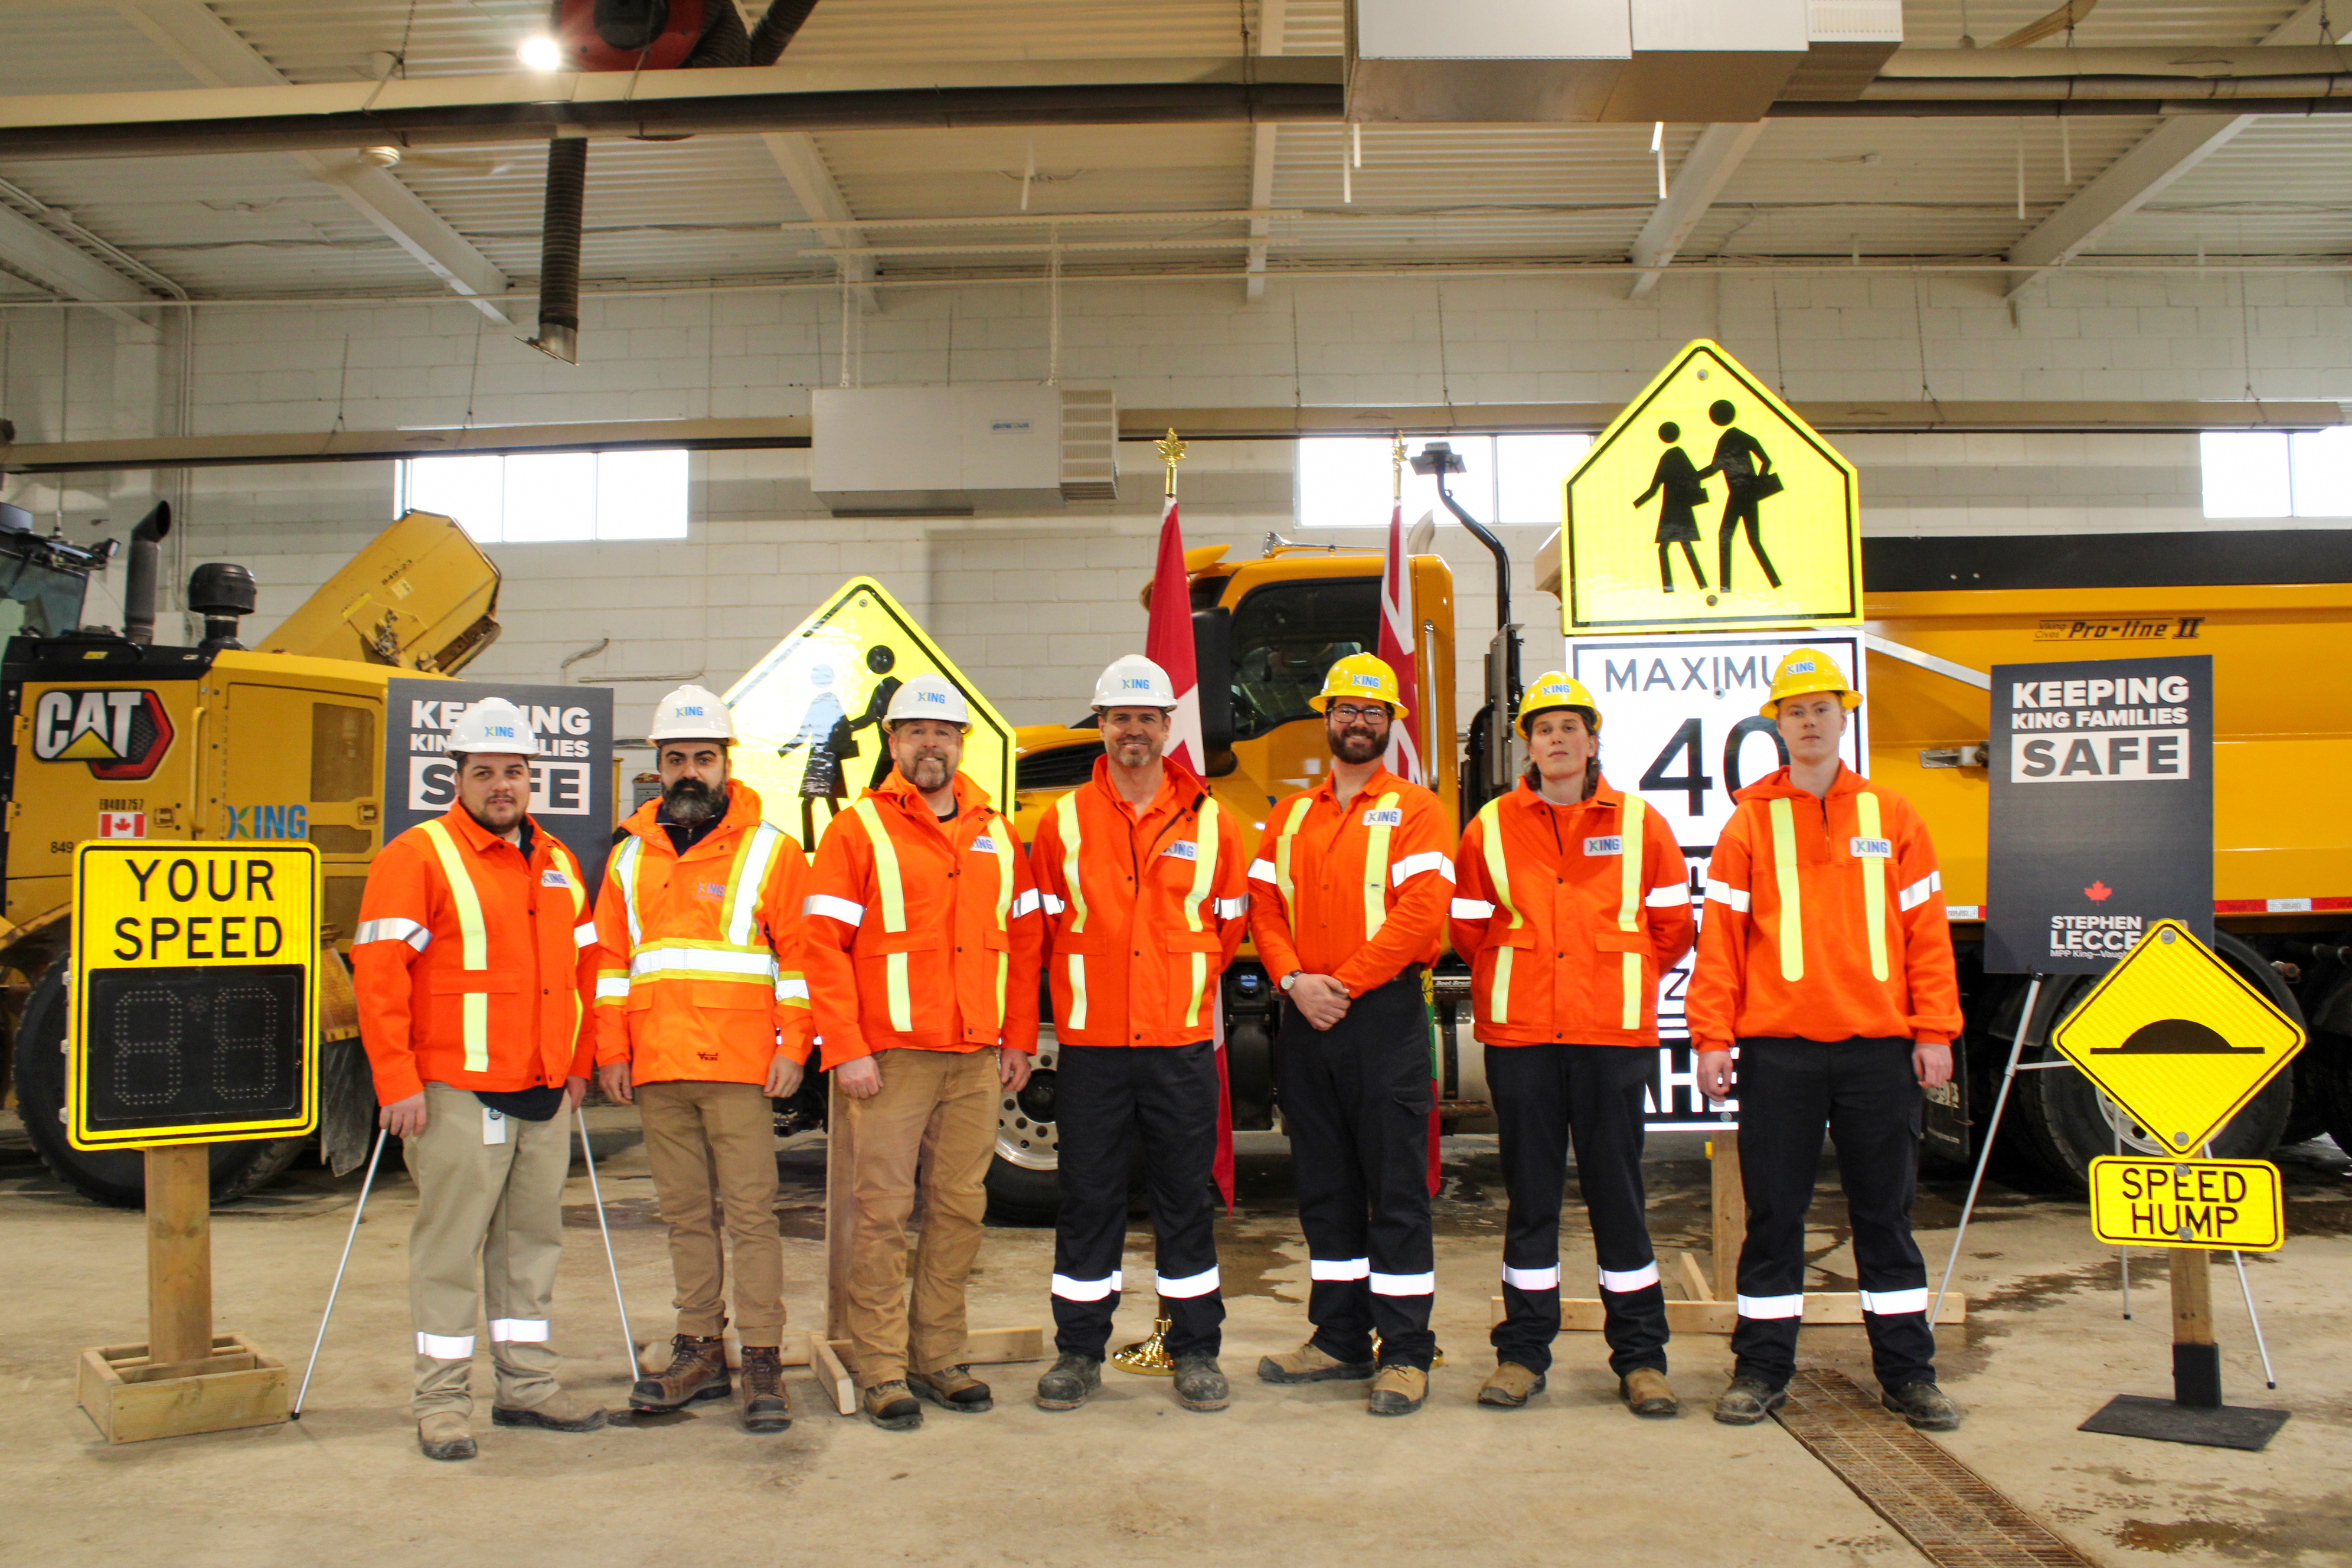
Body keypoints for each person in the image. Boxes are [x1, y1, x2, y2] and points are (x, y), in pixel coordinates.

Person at [1686, 648, 1964, 1432]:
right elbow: (1723, 946)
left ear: (1845, 718)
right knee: (1774, 1216)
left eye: (1822, 709)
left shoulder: (1894, 814)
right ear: (1777, 723)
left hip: (1881, 1050)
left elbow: (1926, 937)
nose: (1809, 722)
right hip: (1780, 1053)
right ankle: (1761, 1369)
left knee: (1887, 1216)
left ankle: (1909, 1374)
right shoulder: (1750, 822)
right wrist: (1712, 1038)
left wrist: (1935, 1030)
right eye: (1795, 710)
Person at [351, 697, 605, 1462]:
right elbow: (379, 975)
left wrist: (580, 1063)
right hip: (455, 1095)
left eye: (516, 772)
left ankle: (526, 1388)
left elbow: (585, 969)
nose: (503, 785)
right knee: (449, 1251)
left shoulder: (558, 863)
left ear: (533, 779)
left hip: (543, 1092)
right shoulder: (417, 856)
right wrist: (395, 1082)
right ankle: (443, 1402)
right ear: (456, 776)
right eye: (485, 771)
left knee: (531, 1248)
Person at [801, 673, 1044, 1430]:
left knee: (959, 1209)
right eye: (915, 731)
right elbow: (821, 947)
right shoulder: (857, 830)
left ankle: (938, 1354)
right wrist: (845, 1046)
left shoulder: (997, 832)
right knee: (880, 1214)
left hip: (975, 1058)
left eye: (944, 732)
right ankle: (879, 1366)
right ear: (894, 742)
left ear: (962, 743)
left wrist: (1019, 1038)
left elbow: (1025, 940)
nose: (931, 744)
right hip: (891, 1059)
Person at [1449, 674, 1695, 1416]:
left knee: (1620, 1199)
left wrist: (1607, 977)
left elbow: (1672, 928)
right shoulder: (1489, 826)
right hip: (1522, 1037)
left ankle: (1642, 1360)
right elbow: (1467, 927)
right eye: (1543, 729)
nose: (1555, 740)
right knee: (1531, 1200)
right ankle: (1523, 1355)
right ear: (1528, 743)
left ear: (1593, 740)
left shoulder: (1642, 823)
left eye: (1569, 728)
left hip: (1610, 1037)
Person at [1025, 655, 1251, 1415]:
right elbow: (1043, 928)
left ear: (1166, 727)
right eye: (1119, 717)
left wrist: (1173, 985)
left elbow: (1226, 924)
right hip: (1091, 1047)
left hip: (1179, 1044)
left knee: (1185, 1197)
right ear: (1102, 725)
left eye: (1146, 718)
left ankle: (1194, 1350)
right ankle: (1078, 1352)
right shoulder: (1059, 822)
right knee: (1088, 1198)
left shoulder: (1212, 819)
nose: (1133, 730)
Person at [593, 685, 812, 1434]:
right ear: (657, 766)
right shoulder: (627, 857)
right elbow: (611, 964)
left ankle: (761, 1356)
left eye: (704, 758)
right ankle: (698, 1349)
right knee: (685, 1216)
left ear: (727, 763)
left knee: (752, 1217)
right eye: (677, 757)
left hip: (742, 1068)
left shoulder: (771, 850)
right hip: (657, 1064)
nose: (691, 770)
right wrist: (610, 1049)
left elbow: (800, 961)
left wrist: (795, 1046)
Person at [1249, 654, 1455, 1417]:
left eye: (1373, 712)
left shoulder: (1418, 810)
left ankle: (1404, 1352)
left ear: (1391, 724)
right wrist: (1295, 981)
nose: (1358, 722)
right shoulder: (1292, 815)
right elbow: (1262, 909)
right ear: (1326, 718)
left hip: (1382, 1018)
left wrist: (1345, 983)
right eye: (1346, 710)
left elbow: (1419, 912)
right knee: (1327, 1187)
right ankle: (1337, 1338)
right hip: (1308, 1015)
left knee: (1396, 1189)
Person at [1696, 399, 1782, 593]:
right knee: (1753, 540)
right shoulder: (1741, 436)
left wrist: (1693, 477)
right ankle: (1774, 581)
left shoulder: (1726, 440)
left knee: (1726, 537)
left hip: (1738, 496)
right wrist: (1758, 484)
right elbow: (1766, 461)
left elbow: (1714, 468)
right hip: (1747, 495)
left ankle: (1726, 587)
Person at [1632, 422, 1709, 594]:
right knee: (1683, 547)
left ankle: (1672, 587)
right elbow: (1695, 477)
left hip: (1672, 512)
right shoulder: (1678, 455)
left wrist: (1636, 504)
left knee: (1668, 548)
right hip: (1680, 510)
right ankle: (1699, 585)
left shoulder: (1668, 457)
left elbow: (1654, 489)